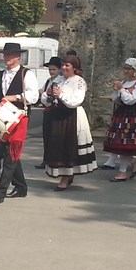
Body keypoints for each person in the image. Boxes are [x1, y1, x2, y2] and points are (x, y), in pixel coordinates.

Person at [0, 41, 39, 203]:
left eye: (9, 55)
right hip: (2, 117)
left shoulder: (27, 74)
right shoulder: (0, 75)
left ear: (18, 57)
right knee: (8, 153)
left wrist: (16, 97)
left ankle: (0, 191)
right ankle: (21, 186)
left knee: (12, 152)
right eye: (5, 55)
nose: (6, 58)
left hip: (19, 117)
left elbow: (34, 96)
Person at [43, 53, 96, 190]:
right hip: (58, 116)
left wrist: (60, 94)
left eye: (68, 65)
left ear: (74, 68)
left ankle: (67, 176)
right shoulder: (59, 79)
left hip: (72, 117)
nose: (64, 68)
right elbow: (45, 98)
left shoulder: (78, 81)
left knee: (69, 147)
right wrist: (48, 95)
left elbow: (75, 101)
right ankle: (64, 174)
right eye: (63, 65)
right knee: (58, 146)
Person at [104, 57, 136, 181]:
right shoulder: (124, 83)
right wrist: (117, 92)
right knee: (117, 142)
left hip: (132, 114)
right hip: (121, 113)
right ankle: (133, 162)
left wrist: (121, 90)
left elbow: (131, 100)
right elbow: (116, 98)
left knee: (125, 143)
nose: (125, 71)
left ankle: (123, 171)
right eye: (125, 68)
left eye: (129, 69)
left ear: (135, 70)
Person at [36, 56, 64, 168]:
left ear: (59, 70)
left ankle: (55, 160)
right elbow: (43, 97)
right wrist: (46, 95)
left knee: (55, 137)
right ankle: (46, 160)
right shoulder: (48, 81)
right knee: (46, 136)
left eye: (54, 70)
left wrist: (48, 95)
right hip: (48, 111)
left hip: (56, 112)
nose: (51, 72)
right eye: (50, 69)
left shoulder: (61, 81)